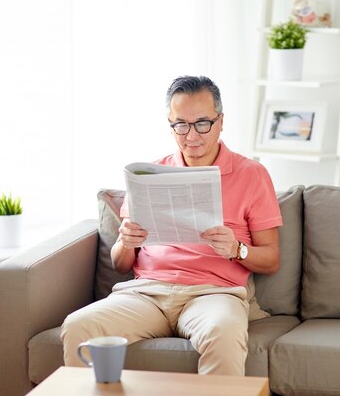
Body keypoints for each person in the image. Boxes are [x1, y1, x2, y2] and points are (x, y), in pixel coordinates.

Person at [61, 75, 283, 376]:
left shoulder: (251, 174)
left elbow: (271, 260)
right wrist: (126, 241)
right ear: (170, 122)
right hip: (147, 292)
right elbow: (120, 263)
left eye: (202, 123)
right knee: (78, 325)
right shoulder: (151, 174)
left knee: (224, 331)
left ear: (220, 121)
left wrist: (236, 249)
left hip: (213, 293)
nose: (191, 136)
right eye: (181, 124)